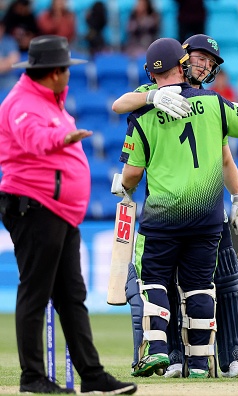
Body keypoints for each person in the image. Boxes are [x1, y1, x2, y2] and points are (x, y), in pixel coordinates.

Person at [112, 33, 238, 380]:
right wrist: (153, 96)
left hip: (180, 216)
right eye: (199, 58)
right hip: (202, 217)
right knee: (195, 287)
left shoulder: (205, 102)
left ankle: (229, 358)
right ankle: (184, 360)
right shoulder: (162, 102)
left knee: (220, 283)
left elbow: (225, 159)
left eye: (211, 62)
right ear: (183, 59)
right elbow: (119, 104)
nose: (204, 66)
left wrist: (237, 197)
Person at [0, 35, 137, 395]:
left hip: (57, 211)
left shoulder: (48, 100)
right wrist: (61, 137)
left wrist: (61, 135)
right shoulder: (23, 103)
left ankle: (92, 375)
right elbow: (33, 137)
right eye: (66, 70)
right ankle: (32, 378)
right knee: (35, 293)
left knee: (70, 296)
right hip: (35, 207)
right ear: (54, 72)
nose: (69, 76)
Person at [0, 20, 20, 90]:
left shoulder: (9, 41)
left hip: (8, 78)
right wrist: (5, 61)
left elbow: (14, 62)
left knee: (16, 87)